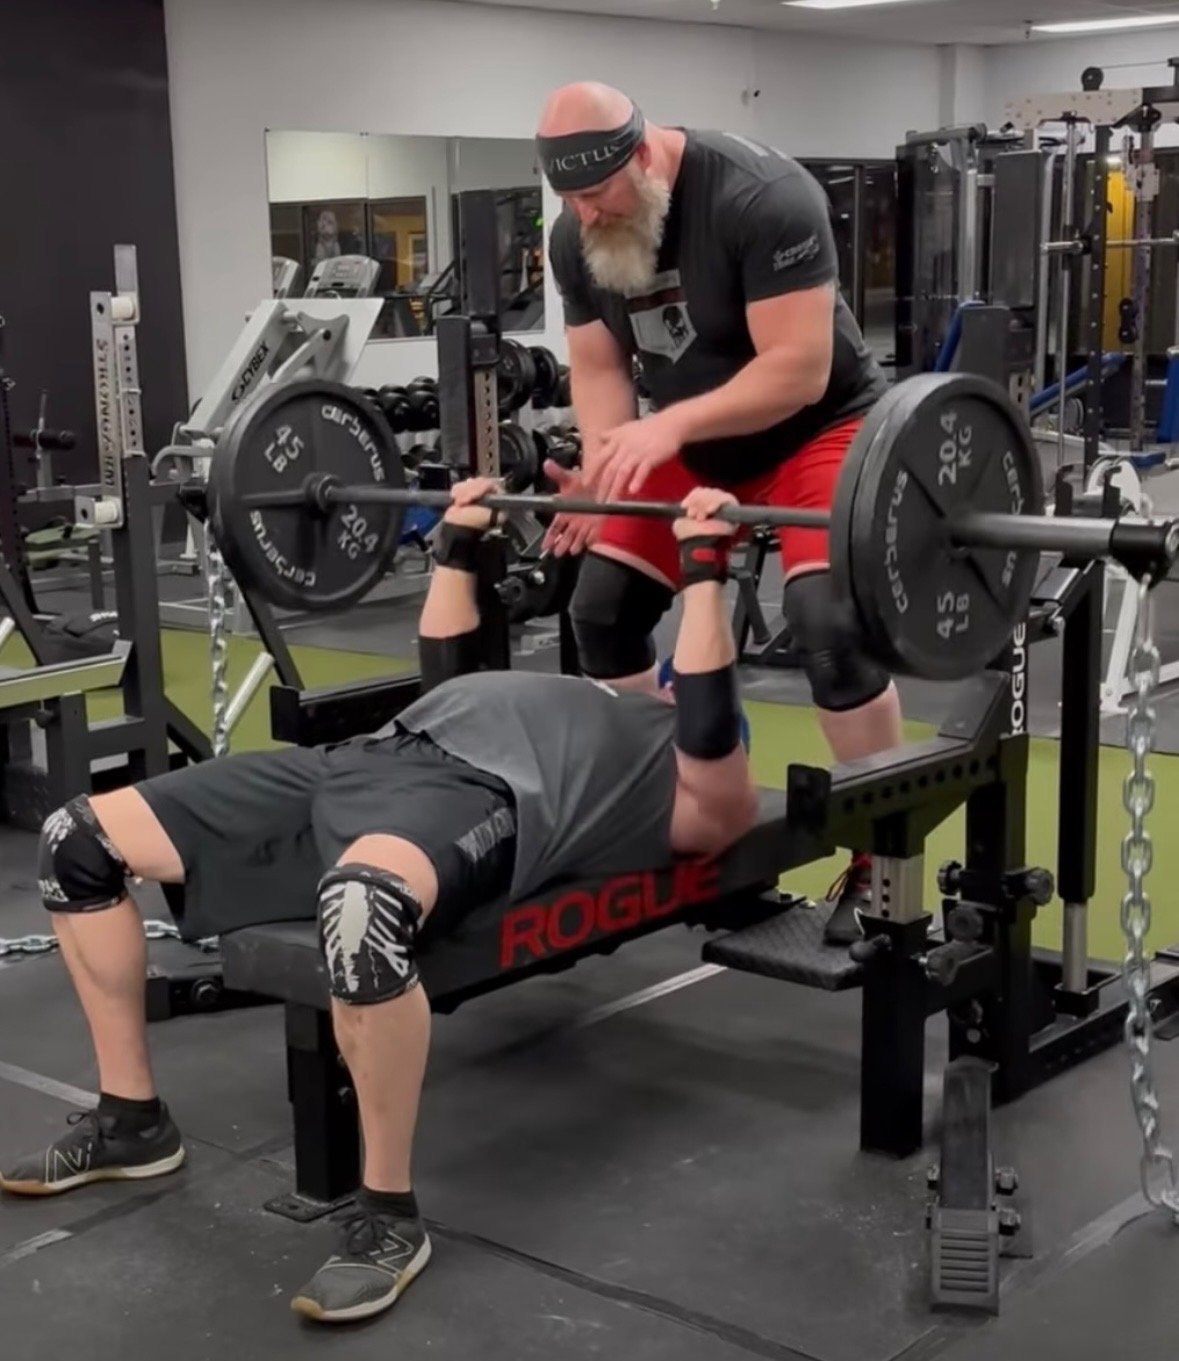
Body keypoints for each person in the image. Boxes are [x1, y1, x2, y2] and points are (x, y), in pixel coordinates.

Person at [1, 480, 759, 1327]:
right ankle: (131, 1120)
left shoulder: (681, 766)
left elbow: (709, 736)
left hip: (477, 797)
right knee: (78, 838)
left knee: (362, 913)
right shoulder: (565, 689)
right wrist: (458, 545)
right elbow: (446, 661)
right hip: (364, 759)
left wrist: (703, 576)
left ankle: (387, 1215)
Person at [535, 82, 901, 943]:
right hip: (690, 439)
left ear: (644, 154)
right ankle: (692, 795)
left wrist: (659, 429)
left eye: (596, 194)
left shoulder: (760, 197)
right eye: (569, 200)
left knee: (828, 626)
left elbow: (798, 369)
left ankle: (881, 853)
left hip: (820, 426)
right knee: (602, 613)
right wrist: (607, 468)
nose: (584, 214)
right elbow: (595, 369)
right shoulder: (575, 234)